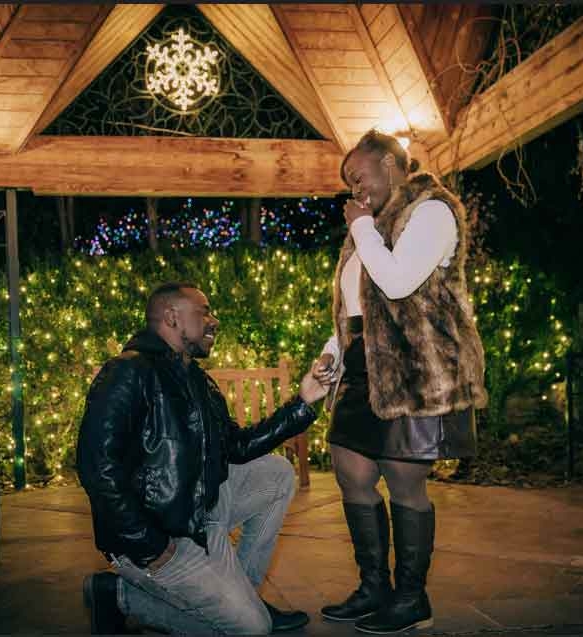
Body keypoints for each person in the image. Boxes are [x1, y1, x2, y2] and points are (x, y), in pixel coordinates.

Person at [77, 282, 329, 635]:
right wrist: (149, 544)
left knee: (277, 472)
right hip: (159, 536)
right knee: (253, 629)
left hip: (201, 513)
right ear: (172, 317)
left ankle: (242, 596)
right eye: (204, 312)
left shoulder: (197, 379)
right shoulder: (127, 372)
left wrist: (301, 404)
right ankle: (119, 595)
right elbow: (97, 468)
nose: (215, 321)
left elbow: (236, 446)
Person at [313, 130, 488, 634]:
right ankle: (373, 587)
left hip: (414, 370)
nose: (354, 189)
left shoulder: (430, 211)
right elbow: (356, 309)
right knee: (350, 471)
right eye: (348, 183)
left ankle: (412, 598)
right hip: (362, 367)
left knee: (403, 480)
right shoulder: (368, 228)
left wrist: (361, 227)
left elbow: (397, 281)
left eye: (359, 176)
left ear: (390, 164)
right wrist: (332, 354)